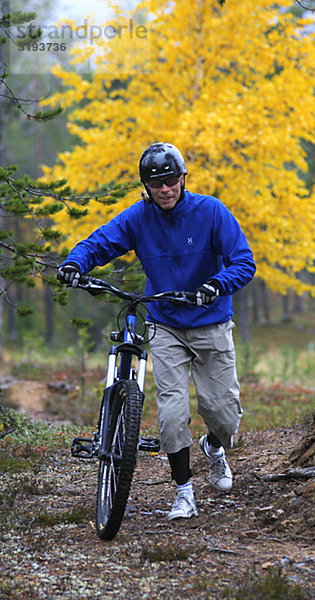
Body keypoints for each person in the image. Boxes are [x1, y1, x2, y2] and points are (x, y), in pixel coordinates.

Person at [58, 142, 256, 521]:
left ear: (183, 179)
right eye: (155, 184)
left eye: (170, 181)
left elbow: (244, 262)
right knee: (171, 414)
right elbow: (101, 242)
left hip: (210, 322)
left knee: (225, 417)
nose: (164, 190)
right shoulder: (139, 218)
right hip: (165, 324)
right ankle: (184, 493)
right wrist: (75, 262)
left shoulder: (211, 212)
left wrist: (215, 285)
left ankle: (214, 447)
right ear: (145, 186)